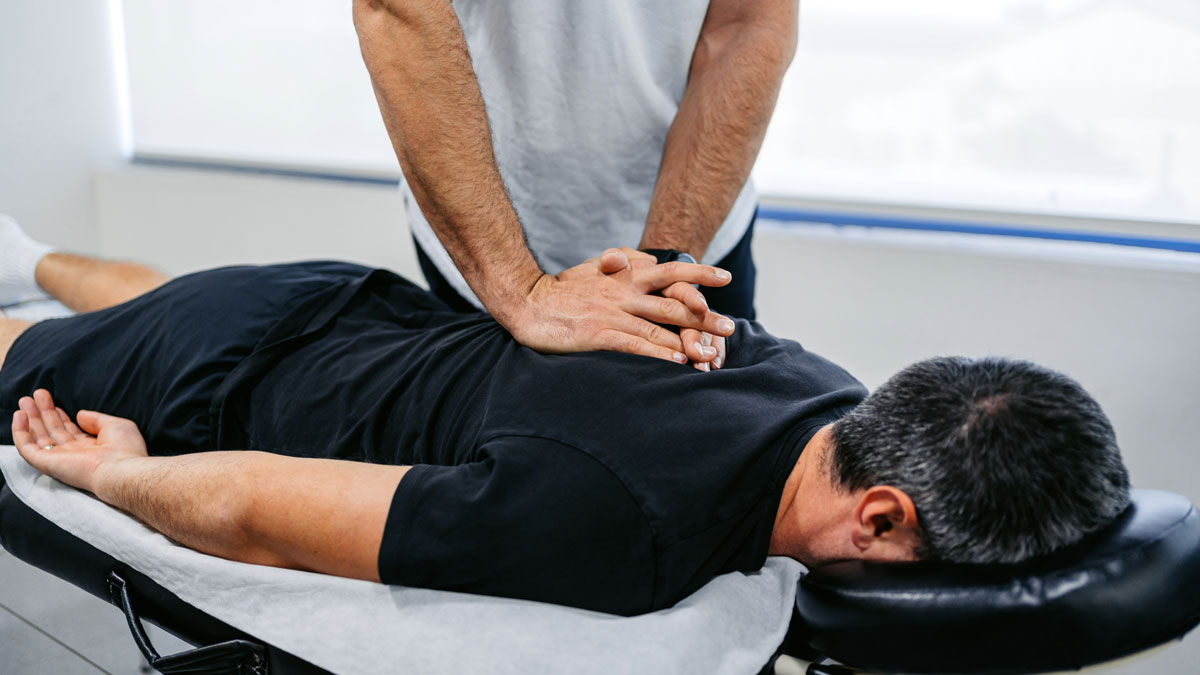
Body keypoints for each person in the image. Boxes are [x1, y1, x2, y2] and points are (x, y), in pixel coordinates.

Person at [0, 224, 1130, 616]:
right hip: (218, 384)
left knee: (160, 295)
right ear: (881, 515)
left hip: (322, 299)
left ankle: (25, 254)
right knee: (23, 352)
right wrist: (114, 479)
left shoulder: (806, 374)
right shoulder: (619, 523)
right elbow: (249, 511)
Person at [352, 0, 799, 371]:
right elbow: (397, 8)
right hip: (484, 246)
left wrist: (661, 265)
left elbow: (747, 21)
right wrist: (521, 292)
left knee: (714, 453)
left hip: (697, 225)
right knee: (518, 460)